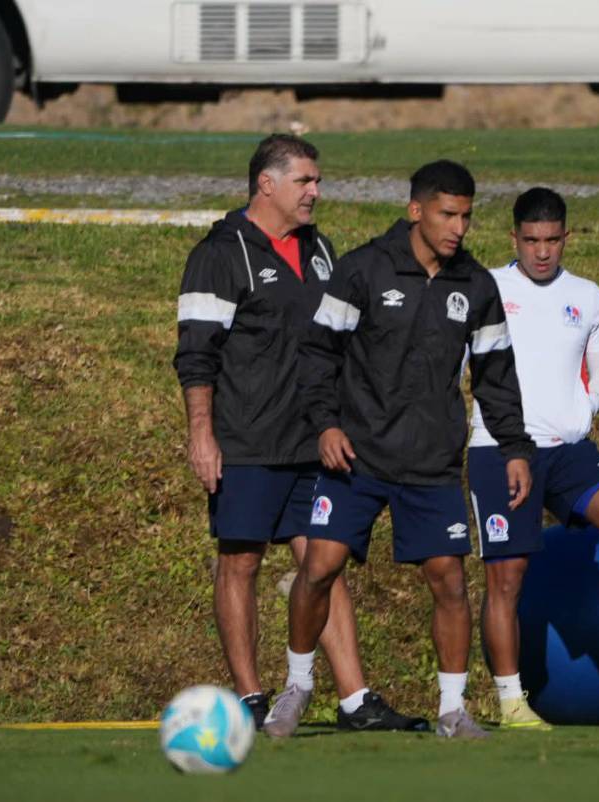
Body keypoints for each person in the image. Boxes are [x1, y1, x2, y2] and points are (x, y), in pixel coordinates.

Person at [265, 160, 535, 739]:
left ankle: (452, 709)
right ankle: (297, 687)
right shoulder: (363, 269)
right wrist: (326, 426)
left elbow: (496, 375)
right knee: (319, 567)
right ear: (416, 210)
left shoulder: (477, 287)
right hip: (356, 456)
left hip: (432, 464)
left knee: (449, 579)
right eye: (447, 214)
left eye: (466, 216)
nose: (458, 227)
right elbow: (317, 355)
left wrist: (514, 447)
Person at [174, 134, 423, 733]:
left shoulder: (321, 250)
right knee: (240, 562)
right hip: (247, 441)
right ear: (267, 184)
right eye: (305, 181)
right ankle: (252, 698)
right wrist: (202, 434)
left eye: (317, 180)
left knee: (323, 562)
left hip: (313, 442)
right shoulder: (220, 252)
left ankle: (355, 700)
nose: (316, 191)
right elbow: (196, 355)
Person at [468, 188, 599, 730]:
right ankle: (510, 700)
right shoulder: (488, 289)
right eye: (531, 241)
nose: (542, 252)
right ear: (513, 238)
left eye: (552, 241)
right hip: (500, 449)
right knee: (507, 577)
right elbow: (453, 366)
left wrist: (582, 408)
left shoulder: (587, 296)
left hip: (566, 450)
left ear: (567, 238)